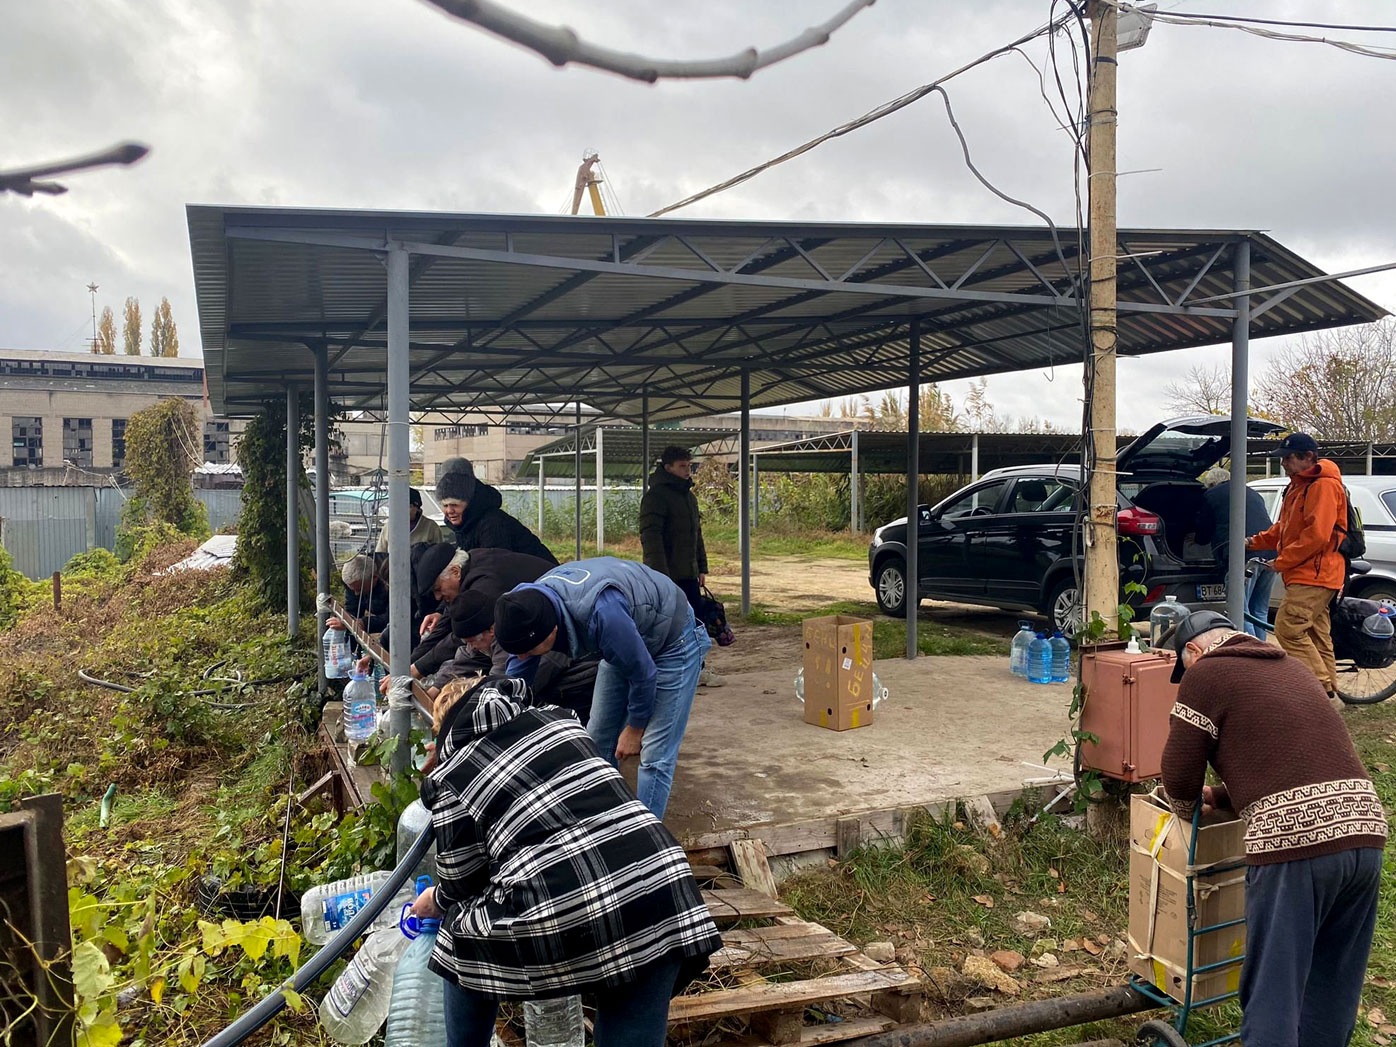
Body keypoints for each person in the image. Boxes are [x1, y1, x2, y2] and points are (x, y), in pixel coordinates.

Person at [409, 676, 721, 1047]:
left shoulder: (452, 776)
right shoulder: (561, 721)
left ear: (444, 729)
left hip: (570, 904)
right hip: (663, 884)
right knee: (635, 1009)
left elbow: (464, 881)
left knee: (458, 935)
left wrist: (436, 902)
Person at [1160, 609, 1386, 1046]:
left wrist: (1187, 809)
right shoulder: (1292, 668)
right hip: (1365, 829)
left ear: (1192, 650)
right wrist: (1224, 797)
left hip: (1297, 845)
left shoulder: (1205, 673)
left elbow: (1178, 771)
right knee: (1331, 982)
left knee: (1273, 988)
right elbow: (1295, 759)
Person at [493, 557, 710, 819]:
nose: (524, 658)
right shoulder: (522, 607)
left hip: (673, 640)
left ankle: (647, 840)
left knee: (655, 753)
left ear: (550, 632)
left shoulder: (602, 614)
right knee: (596, 739)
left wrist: (635, 728)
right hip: (627, 636)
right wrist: (498, 724)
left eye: (528, 651)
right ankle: (603, 822)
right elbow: (517, 682)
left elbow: (643, 673)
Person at [1246, 433, 1350, 696]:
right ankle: (1331, 698)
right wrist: (1252, 542)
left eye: (1288, 457)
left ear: (1308, 457)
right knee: (1317, 636)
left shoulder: (1323, 486)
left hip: (1315, 574)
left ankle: (1321, 691)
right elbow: (1283, 528)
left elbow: (1316, 535)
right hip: (1309, 573)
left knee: (1288, 628)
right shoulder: (1298, 485)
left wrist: (1282, 561)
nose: (1283, 463)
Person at [432, 590, 597, 724]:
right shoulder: (486, 637)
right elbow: (463, 659)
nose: (471, 647)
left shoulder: (513, 642)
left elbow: (501, 690)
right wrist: (435, 688)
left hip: (580, 687)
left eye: (471, 641)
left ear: (490, 630)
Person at [639, 445, 723, 687]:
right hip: (667, 576)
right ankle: (668, 672)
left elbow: (697, 535)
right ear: (668, 468)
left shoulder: (688, 496)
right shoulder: (655, 497)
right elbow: (651, 539)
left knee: (694, 623)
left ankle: (697, 669)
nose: (688, 471)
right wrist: (660, 576)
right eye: (682, 466)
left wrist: (701, 568)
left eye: (689, 466)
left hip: (688, 574)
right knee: (669, 626)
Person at [1193, 466, 1275, 639]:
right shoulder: (1252, 492)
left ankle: (1252, 654)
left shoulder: (1212, 495)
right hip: (1270, 555)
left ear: (1212, 484)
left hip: (1242, 556)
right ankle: (1263, 655)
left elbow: (1203, 533)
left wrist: (1196, 539)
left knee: (1241, 612)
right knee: (1259, 611)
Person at [435, 457, 557, 565]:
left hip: (541, 578)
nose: (449, 511)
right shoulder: (463, 523)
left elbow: (494, 568)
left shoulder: (492, 523)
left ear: (469, 503)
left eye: (455, 505)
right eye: (445, 506)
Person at [329, 553, 389, 633]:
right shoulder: (355, 581)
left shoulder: (390, 577)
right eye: (352, 589)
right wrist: (347, 622)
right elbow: (354, 611)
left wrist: (363, 623)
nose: (356, 594)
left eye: (360, 589)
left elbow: (394, 617)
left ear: (375, 577)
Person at [375, 486, 443, 552]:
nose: (402, 510)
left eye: (408, 506)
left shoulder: (431, 527)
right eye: (399, 506)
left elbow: (439, 554)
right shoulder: (389, 527)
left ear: (417, 508)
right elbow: (380, 555)